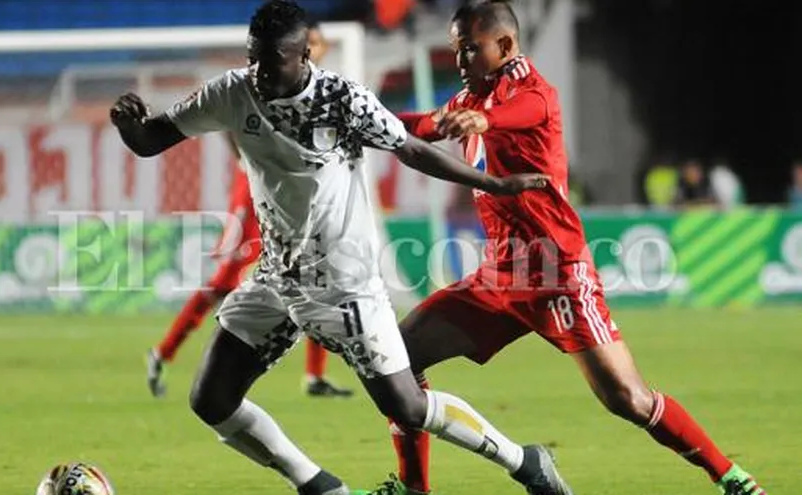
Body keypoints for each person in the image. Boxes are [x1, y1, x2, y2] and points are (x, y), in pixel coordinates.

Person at [110, 2, 565, 495]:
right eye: (253, 57)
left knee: (407, 406)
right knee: (211, 399)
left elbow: (410, 149)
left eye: (273, 60)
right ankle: (319, 486)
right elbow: (152, 139)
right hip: (276, 278)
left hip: (344, 284)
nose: (260, 72)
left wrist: (492, 184)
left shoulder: (342, 99)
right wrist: (130, 128)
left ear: (304, 54)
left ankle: (526, 463)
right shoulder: (233, 91)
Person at [372, 2, 768, 495]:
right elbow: (426, 124)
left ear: (506, 46)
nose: (461, 60)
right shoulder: (476, 95)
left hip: (558, 273)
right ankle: (415, 490)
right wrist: (362, 114)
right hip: (502, 276)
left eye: (470, 48)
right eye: (457, 50)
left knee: (629, 399)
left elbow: (511, 116)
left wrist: (480, 122)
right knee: (395, 361)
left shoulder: (533, 94)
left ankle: (731, 477)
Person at [146, 20, 354, 399]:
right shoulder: (269, 78)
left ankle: (314, 376)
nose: (321, 48)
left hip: (294, 197)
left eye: (321, 43)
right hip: (257, 192)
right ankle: (163, 352)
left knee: (316, 272)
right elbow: (231, 114)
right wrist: (245, 161)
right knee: (226, 280)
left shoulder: (319, 87)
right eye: (315, 42)